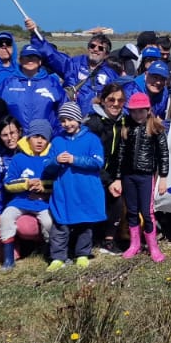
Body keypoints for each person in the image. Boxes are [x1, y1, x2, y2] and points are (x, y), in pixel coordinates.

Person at [110, 91, 170, 261]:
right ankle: (134, 244)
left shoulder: (156, 128)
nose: (137, 115)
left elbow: (163, 154)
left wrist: (163, 178)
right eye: (134, 111)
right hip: (128, 176)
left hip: (146, 177)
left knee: (147, 211)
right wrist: (118, 178)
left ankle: (153, 247)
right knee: (132, 211)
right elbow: (121, 155)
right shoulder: (126, 127)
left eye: (141, 111)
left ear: (148, 110)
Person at [45, 102, 105, 270]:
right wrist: (56, 161)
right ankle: (58, 257)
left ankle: (82, 254)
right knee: (60, 225)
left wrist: (75, 160)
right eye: (63, 120)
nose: (67, 124)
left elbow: (98, 162)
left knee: (84, 225)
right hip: (63, 191)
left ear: (78, 119)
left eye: (70, 119)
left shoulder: (92, 139)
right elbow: (47, 166)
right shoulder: (57, 141)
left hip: (85, 191)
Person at [0, 121, 56, 270]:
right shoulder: (18, 159)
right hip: (20, 201)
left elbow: (57, 183)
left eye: (44, 137)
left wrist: (43, 186)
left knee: (49, 222)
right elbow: (8, 183)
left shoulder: (51, 160)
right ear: (28, 137)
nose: (40, 141)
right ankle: (9, 258)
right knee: (6, 218)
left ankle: (50, 253)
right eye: (36, 136)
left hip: (42, 203)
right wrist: (26, 184)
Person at [25, 18, 122, 106]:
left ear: (106, 54)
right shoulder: (72, 64)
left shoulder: (111, 74)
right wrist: (34, 32)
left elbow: (119, 99)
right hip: (69, 118)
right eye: (92, 46)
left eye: (100, 48)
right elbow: (51, 54)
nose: (95, 49)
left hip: (94, 120)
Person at [85, 83, 130, 251]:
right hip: (92, 172)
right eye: (111, 99)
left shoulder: (124, 121)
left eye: (120, 100)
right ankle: (86, 237)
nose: (116, 104)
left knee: (117, 200)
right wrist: (108, 180)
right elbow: (89, 157)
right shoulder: (93, 123)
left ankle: (109, 239)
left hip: (112, 174)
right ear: (103, 100)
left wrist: (116, 178)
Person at [1, 42, 67, 135]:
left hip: (44, 140)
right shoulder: (7, 83)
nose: (30, 60)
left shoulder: (52, 83)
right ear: (20, 60)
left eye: (34, 57)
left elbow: (64, 110)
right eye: (26, 57)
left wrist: (56, 134)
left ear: (40, 62)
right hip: (15, 141)